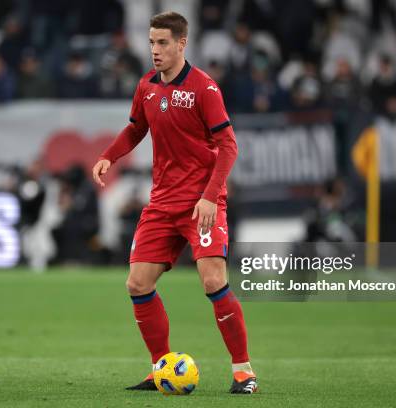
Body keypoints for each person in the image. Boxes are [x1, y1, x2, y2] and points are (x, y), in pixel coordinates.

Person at [92, 12, 257, 394]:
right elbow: (136, 128)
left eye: (163, 42)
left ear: (182, 44)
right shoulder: (146, 85)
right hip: (162, 203)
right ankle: (160, 368)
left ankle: (243, 371)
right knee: (137, 283)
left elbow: (229, 146)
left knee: (214, 280)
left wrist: (210, 196)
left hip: (201, 202)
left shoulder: (204, 88)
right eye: (151, 42)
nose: (155, 50)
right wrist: (109, 156)